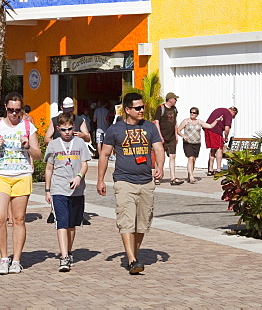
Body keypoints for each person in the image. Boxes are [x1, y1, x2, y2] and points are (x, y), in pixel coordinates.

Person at [97, 91, 165, 275]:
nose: (142, 110)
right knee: (126, 221)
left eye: (143, 107)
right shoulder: (115, 130)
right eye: (138, 108)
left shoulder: (150, 127)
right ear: (127, 110)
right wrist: (100, 179)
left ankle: (134, 254)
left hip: (146, 182)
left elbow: (159, 148)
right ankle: (132, 259)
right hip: (124, 180)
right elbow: (104, 154)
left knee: (142, 223)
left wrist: (160, 166)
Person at [0, 92, 40, 274]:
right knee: (0, 218)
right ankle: (3, 258)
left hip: (22, 174)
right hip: (0, 174)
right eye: (11, 110)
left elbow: (38, 155)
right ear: (5, 108)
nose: (14, 114)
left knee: (19, 219)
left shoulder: (28, 127)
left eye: (17, 110)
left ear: (21, 110)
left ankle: (16, 260)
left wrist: (27, 146)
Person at [43, 112, 91, 272]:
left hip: (77, 190)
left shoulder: (80, 143)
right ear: (58, 129)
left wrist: (79, 177)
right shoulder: (54, 145)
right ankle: (64, 256)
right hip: (58, 188)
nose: (67, 132)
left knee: (72, 224)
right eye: (64, 130)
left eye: (70, 129)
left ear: (74, 127)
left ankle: (69, 251)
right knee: (61, 222)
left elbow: (84, 164)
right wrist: (48, 190)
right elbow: (49, 168)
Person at [176, 107, 214, 183]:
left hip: (197, 143)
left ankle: (190, 175)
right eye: (191, 112)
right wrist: (183, 136)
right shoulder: (186, 121)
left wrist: (217, 120)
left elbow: (210, 126)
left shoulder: (199, 122)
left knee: (193, 160)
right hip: (188, 143)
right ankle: (191, 177)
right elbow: (178, 130)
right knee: (190, 158)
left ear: (197, 114)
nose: (192, 114)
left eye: (194, 113)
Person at [152, 92, 181, 185]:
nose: (176, 101)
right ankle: (157, 176)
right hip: (162, 136)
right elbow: (157, 122)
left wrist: (176, 134)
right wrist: (159, 136)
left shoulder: (174, 109)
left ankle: (173, 177)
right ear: (170, 99)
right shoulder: (161, 108)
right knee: (159, 157)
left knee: (172, 156)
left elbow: (175, 121)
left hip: (172, 137)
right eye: (175, 99)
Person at [205, 106, 237, 176]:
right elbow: (227, 129)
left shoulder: (220, 110)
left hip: (207, 129)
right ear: (233, 112)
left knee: (213, 149)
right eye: (233, 116)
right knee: (219, 148)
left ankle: (210, 169)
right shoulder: (228, 114)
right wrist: (226, 137)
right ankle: (219, 169)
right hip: (216, 131)